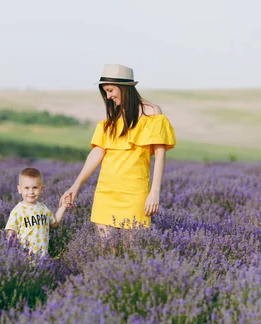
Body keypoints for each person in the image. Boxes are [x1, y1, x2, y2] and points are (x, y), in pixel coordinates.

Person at [60, 64, 176, 237]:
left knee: (129, 252)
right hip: (105, 192)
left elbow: (160, 157)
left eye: (110, 90)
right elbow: (97, 152)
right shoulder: (112, 119)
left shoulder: (153, 114)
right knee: (106, 250)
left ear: (124, 87)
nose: (108, 96)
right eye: (105, 92)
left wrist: (155, 192)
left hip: (135, 193)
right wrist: (75, 186)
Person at [5, 167, 68, 256]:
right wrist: (13, 253)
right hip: (24, 257)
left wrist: (63, 207)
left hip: (43, 256)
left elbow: (54, 223)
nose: (31, 192)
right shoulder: (17, 211)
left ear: (42, 189)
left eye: (35, 188)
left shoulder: (43, 208)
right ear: (19, 189)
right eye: (26, 188)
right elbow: (11, 233)